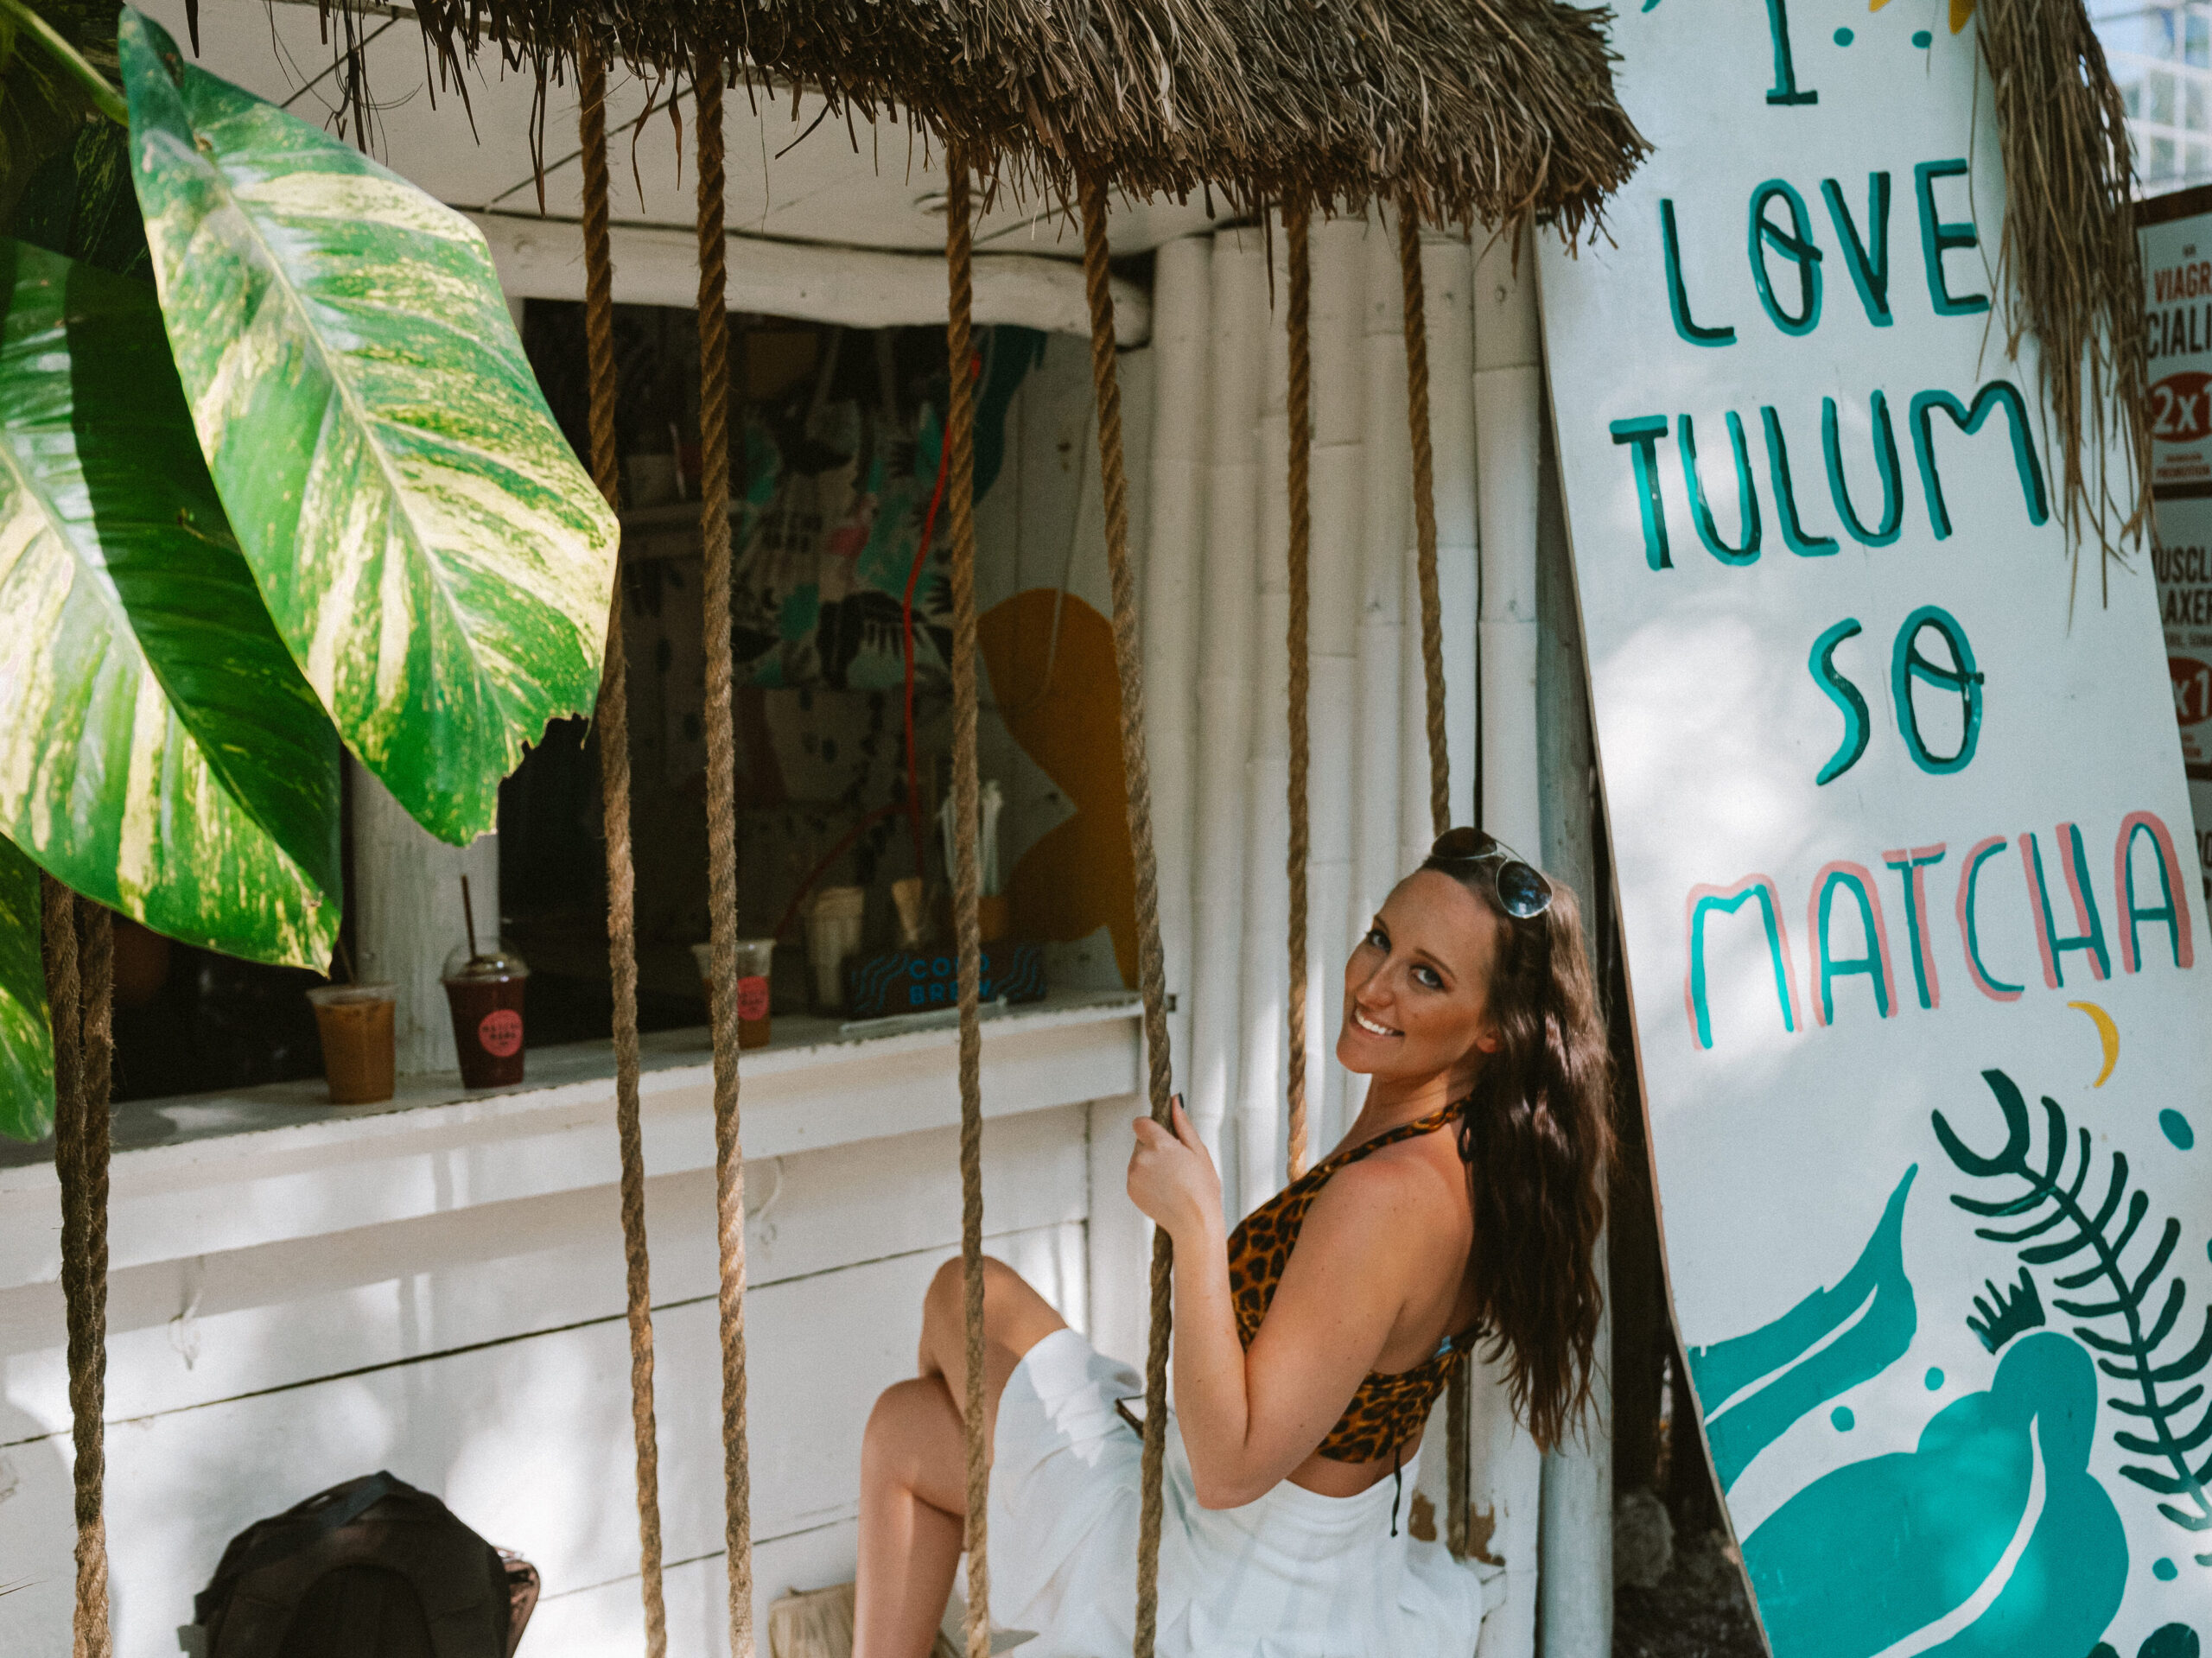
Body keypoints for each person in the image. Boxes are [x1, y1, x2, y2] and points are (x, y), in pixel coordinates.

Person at [854, 829, 1614, 1658]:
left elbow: (1229, 1470)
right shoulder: (1468, 1152)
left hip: (1226, 1591)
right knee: (909, 1422)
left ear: (1492, 1029)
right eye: (1381, 940)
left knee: (959, 1295)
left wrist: (1194, 1225)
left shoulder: (1388, 1199)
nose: (1374, 984)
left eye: (1426, 977)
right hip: (1314, 1559)